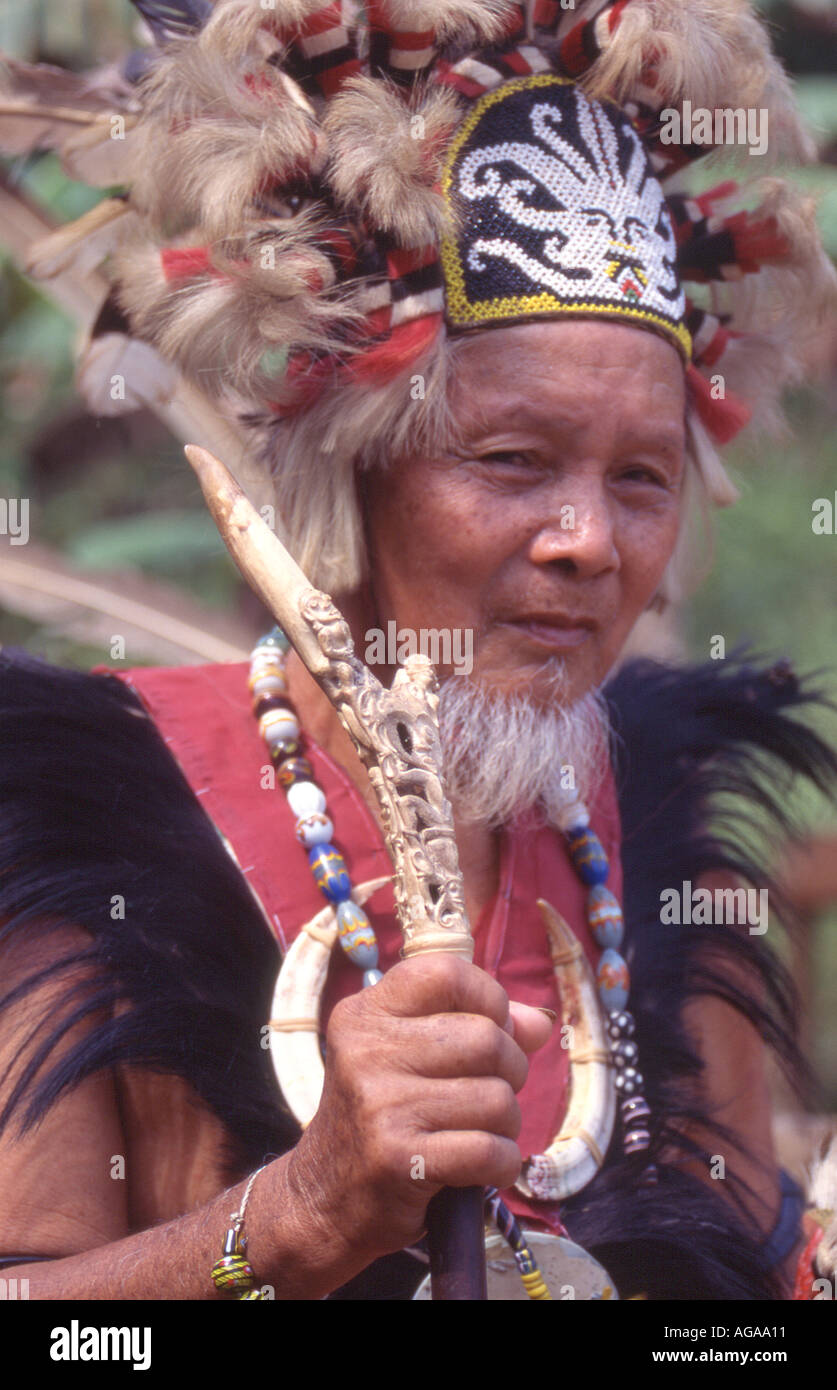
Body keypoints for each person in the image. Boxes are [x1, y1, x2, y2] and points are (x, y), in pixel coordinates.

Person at [0, 0, 835, 1301]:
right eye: (510, 460)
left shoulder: (661, 818)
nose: (587, 541)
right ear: (358, 460)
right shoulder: (82, 812)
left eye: (641, 476)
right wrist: (290, 1218)